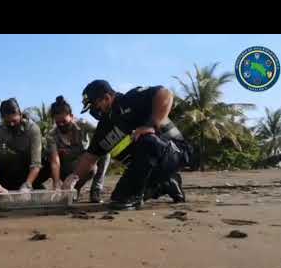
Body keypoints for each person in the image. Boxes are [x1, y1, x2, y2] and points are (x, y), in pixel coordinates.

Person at [62, 80, 192, 211]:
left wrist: (151, 125)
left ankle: (138, 194)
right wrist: (72, 180)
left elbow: (165, 94)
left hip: (176, 151)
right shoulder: (104, 127)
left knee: (146, 141)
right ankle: (166, 183)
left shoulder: (130, 99)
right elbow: (89, 158)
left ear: (106, 98)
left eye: (94, 106)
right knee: (119, 197)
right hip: (150, 165)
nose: (93, 111)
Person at [33, 96, 110, 203]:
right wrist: (56, 185)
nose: (61, 125)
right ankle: (73, 190)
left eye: (64, 121)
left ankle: (96, 189)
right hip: (66, 168)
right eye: (58, 122)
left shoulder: (83, 124)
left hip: (85, 163)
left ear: (72, 116)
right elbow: (55, 161)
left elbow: (102, 134)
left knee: (105, 151)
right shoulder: (52, 135)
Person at [0, 98, 42, 191]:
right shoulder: (1, 129)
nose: (11, 124)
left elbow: (36, 163)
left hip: (32, 165)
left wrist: (27, 184)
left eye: (14, 121)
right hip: (17, 163)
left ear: (20, 115)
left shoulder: (33, 129)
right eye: (8, 122)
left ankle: (32, 183)